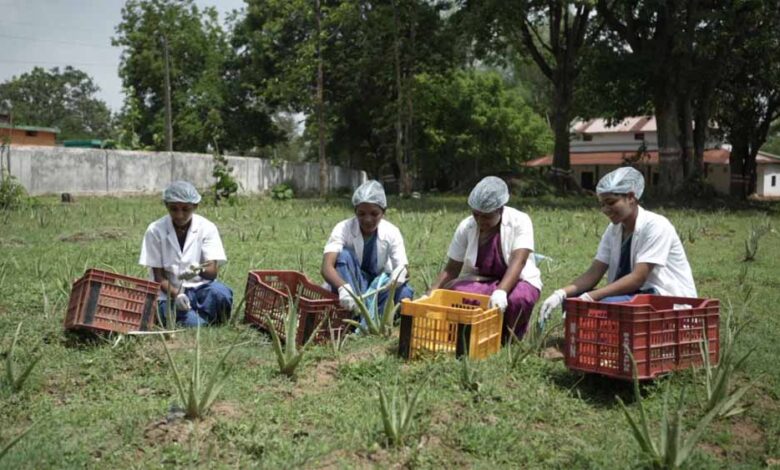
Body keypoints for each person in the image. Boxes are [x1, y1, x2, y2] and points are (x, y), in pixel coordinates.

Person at [538, 167, 697, 327]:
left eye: (611, 203)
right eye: (602, 205)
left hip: (661, 298)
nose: (606, 210)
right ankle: (580, 344)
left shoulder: (656, 226)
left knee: (604, 305)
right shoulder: (614, 229)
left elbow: (637, 279)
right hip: (633, 295)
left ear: (631, 197)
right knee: (573, 302)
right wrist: (561, 294)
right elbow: (594, 272)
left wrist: (590, 297)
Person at [429, 176, 542, 341]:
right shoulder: (466, 227)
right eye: (476, 215)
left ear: (500, 209)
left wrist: (501, 291)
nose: (480, 221)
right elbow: (451, 268)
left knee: (518, 299)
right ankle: (478, 333)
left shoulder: (520, 221)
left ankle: (510, 335)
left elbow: (519, 261)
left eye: (486, 216)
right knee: (457, 293)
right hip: (483, 281)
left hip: (517, 280)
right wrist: (430, 295)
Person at [139, 181, 233, 327]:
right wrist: (177, 295)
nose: (179, 215)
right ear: (166, 206)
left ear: (195, 206)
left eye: (185, 209)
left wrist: (199, 269)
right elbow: (159, 277)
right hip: (169, 293)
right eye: (174, 209)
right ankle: (198, 320)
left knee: (221, 294)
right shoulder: (155, 230)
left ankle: (203, 317)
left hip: (200, 288)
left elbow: (212, 271)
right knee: (195, 324)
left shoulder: (207, 228)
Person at [321, 180, 413, 317]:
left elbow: (404, 268)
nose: (368, 219)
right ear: (355, 212)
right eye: (362, 214)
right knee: (344, 255)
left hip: (378, 287)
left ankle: (364, 315)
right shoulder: (343, 228)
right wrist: (343, 287)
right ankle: (353, 312)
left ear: (383, 212)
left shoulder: (392, 232)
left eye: (374, 214)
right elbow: (326, 267)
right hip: (351, 283)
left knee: (404, 294)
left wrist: (400, 273)